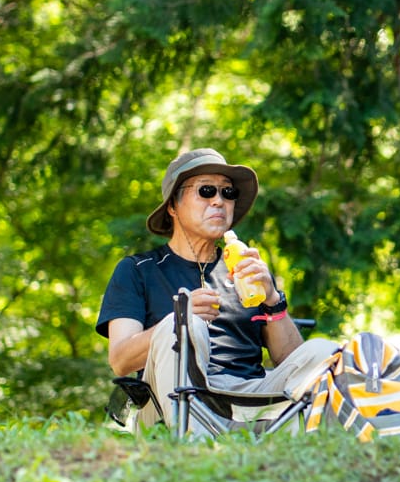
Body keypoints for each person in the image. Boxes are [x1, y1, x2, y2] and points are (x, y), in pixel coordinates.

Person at [96, 148, 338, 431]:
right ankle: (193, 445)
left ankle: (328, 444)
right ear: (173, 206)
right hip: (166, 402)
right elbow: (120, 361)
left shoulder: (246, 269)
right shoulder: (138, 270)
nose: (219, 201)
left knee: (325, 352)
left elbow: (291, 362)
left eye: (228, 192)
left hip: (248, 402)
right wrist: (180, 316)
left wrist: (273, 300)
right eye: (206, 190)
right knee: (184, 325)